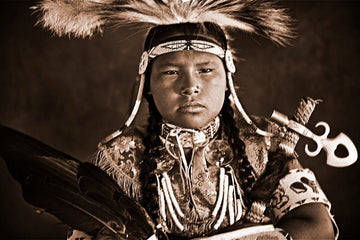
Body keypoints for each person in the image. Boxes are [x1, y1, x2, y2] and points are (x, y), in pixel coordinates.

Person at [19, 0, 339, 239]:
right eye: (171, 71)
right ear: (147, 85)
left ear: (227, 79)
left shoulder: (265, 145)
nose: (190, 86)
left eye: (205, 69)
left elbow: (318, 225)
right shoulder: (116, 158)